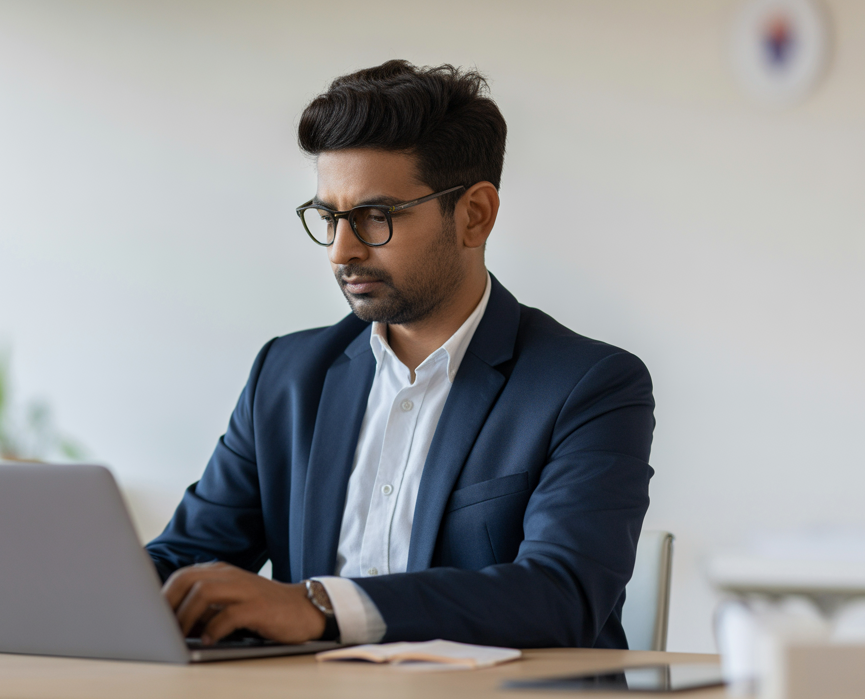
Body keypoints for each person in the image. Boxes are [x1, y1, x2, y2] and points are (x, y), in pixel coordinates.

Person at [146, 60, 655, 650]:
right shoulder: (286, 377)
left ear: (475, 215)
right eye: (330, 217)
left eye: (374, 217)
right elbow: (185, 559)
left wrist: (318, 606)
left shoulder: (587, 385)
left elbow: (560, 595)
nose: (341, 251)